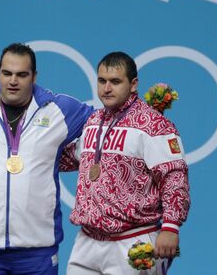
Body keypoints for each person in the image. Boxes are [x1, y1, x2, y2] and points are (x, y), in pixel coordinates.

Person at [0, 42, 93, 275]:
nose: (13, 81)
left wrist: (146, 114)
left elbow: (105, 121)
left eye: (22, 75)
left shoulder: (58, 109)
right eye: (7, 73)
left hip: (38, 250)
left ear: (34, 76)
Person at [61, 52, 191, 275]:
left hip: (133, 241)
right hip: (87, 240)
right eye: (102, 81)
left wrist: (171, 226)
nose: (107, 88)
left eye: (115, 81)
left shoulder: (153, 125)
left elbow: (174, 177)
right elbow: (73, 157)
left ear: (133, 84)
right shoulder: (94, 121)